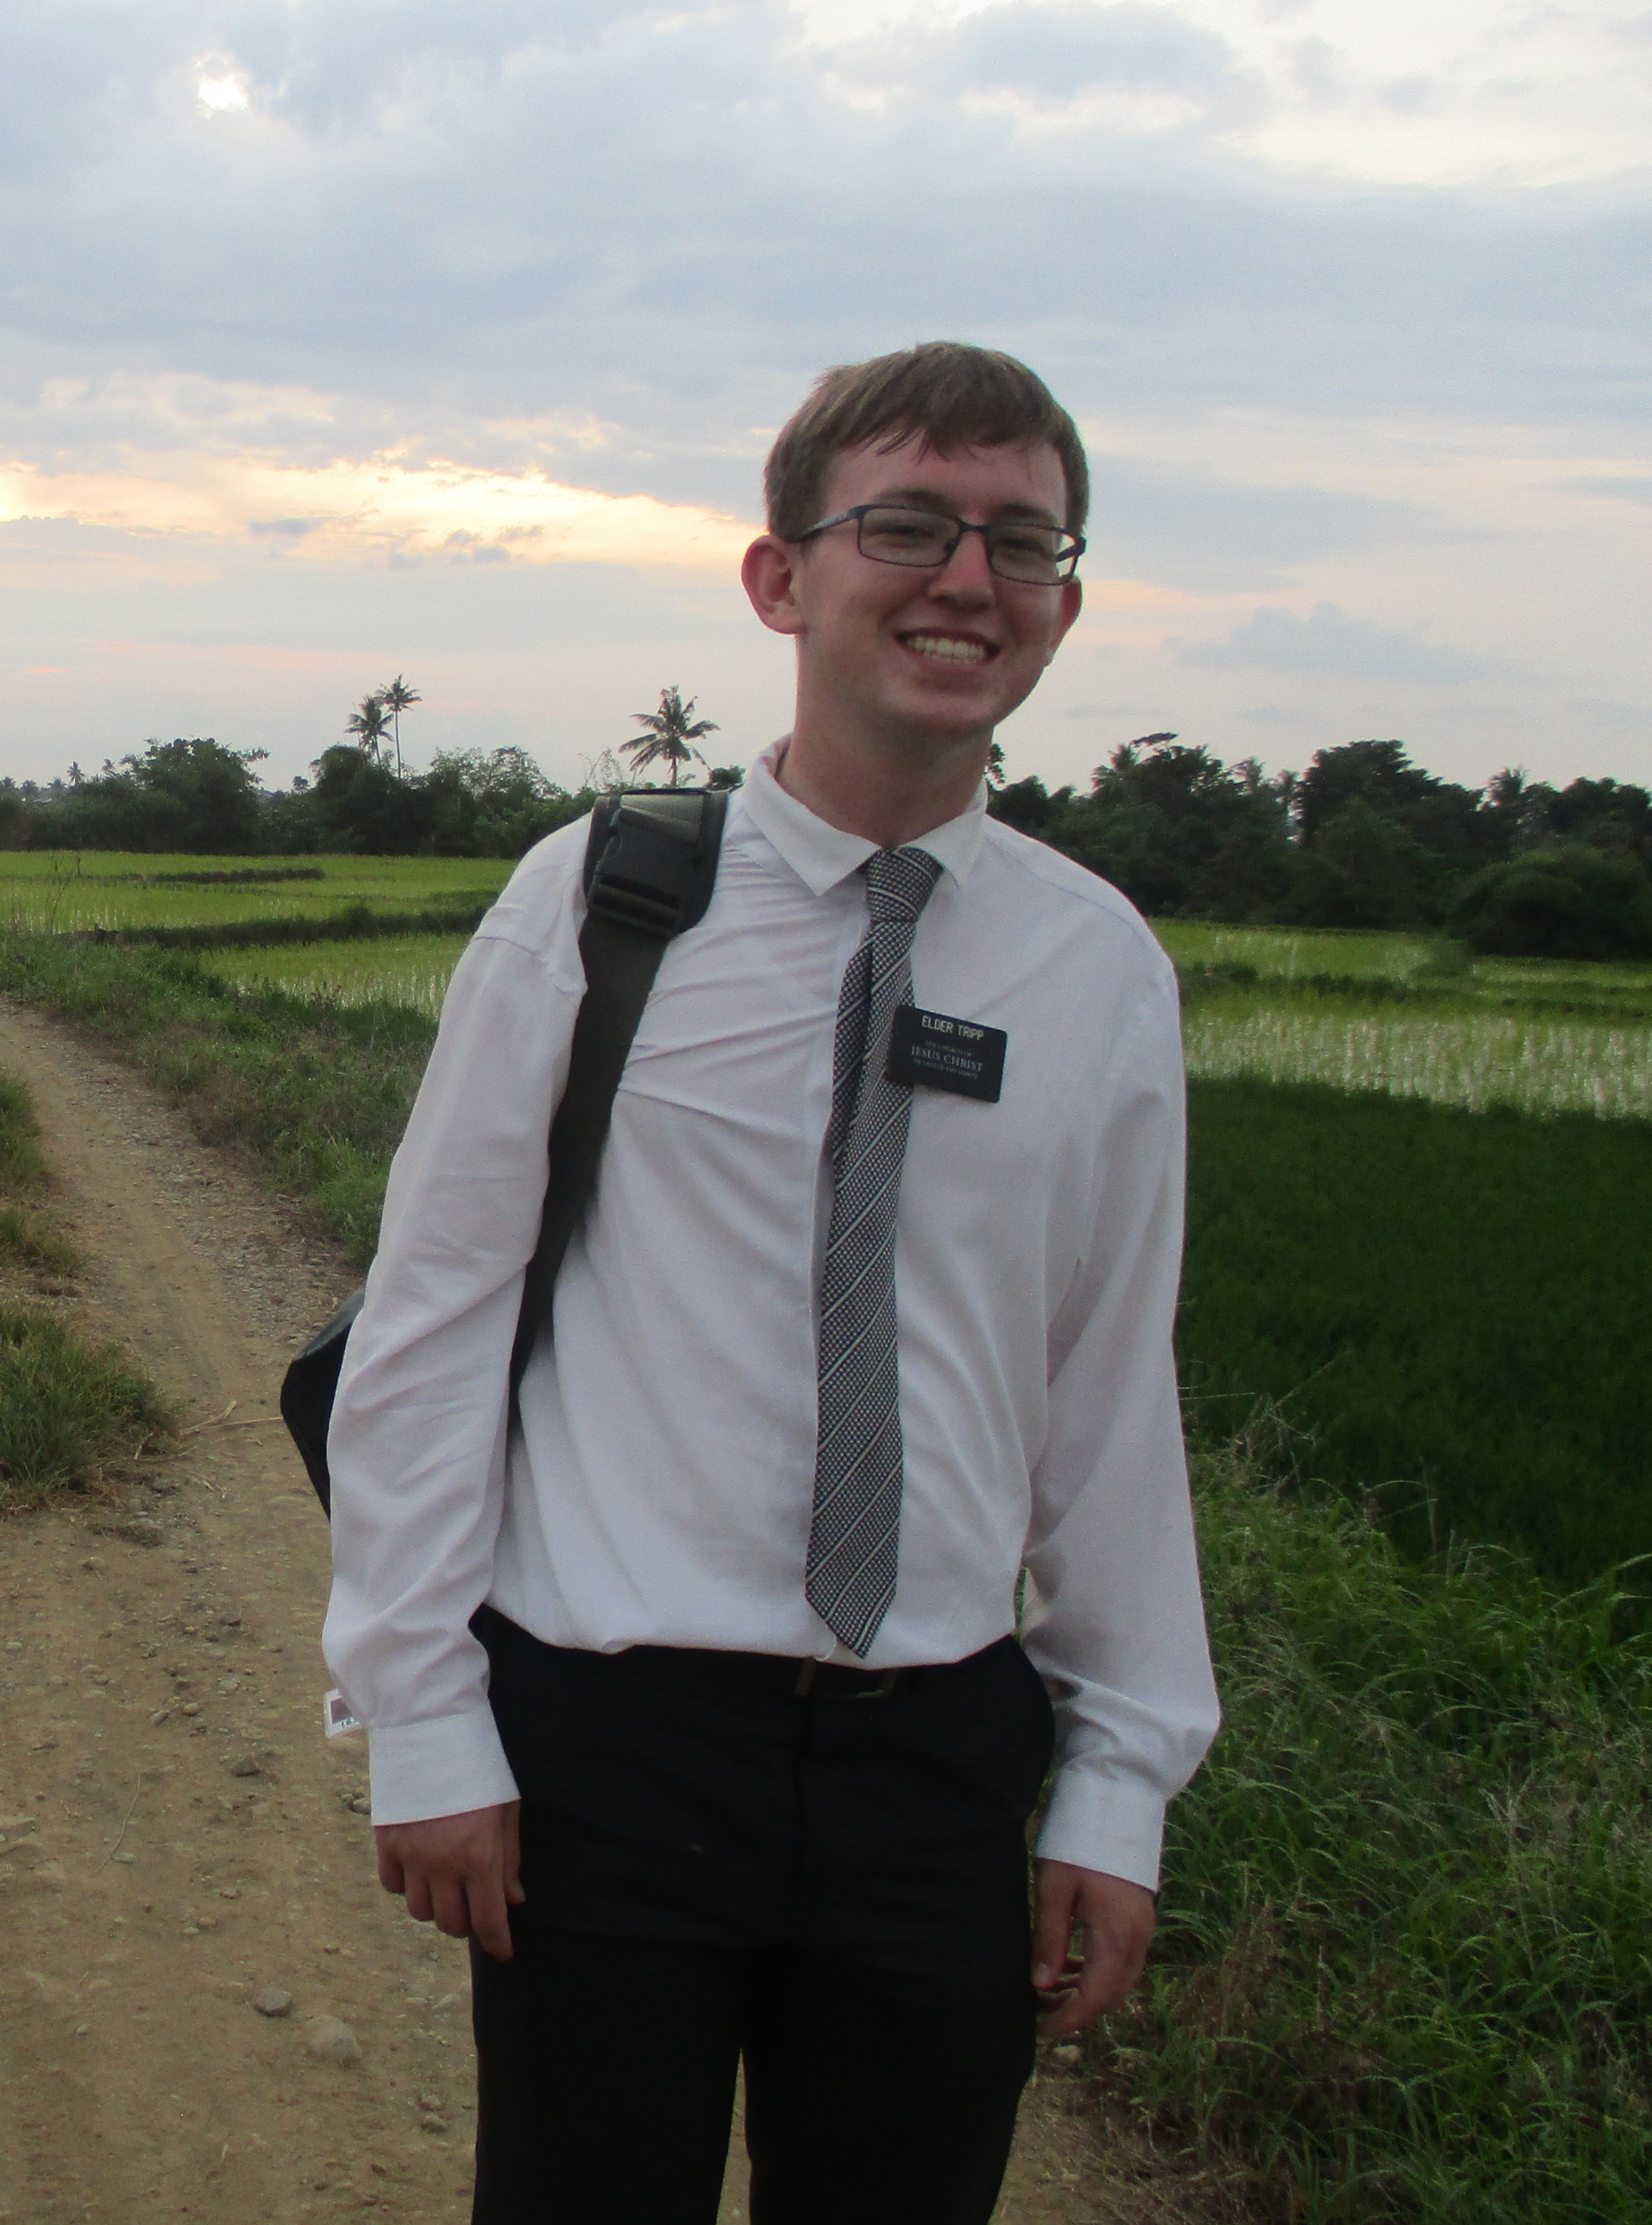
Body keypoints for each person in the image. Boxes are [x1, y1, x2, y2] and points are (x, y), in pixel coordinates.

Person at [320, 343, 1220, 2223]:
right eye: (906, 524)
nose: (966, 581)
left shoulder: (1096, 965)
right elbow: (435, 1314)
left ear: (1063, 602)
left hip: (940, 1761)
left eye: (1022, 542)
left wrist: (1118, 1780)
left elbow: (1109, 1390)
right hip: (611, 1745)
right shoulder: (599, 898)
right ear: (780, 578)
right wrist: (421, 1714)